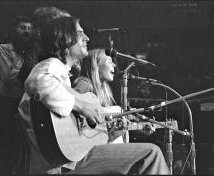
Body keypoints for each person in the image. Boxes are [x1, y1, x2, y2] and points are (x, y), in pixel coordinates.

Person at [18, 16, 170, 175]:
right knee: (150, 155)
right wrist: (83, 106)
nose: (87, 38)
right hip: (62, 166)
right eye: (80, 33)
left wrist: (110, 136)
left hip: (68, 161)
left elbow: (76, 137)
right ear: (64, 39)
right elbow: (37, 83)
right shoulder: (50, 65)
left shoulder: (63, 77)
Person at [73, 48, 156, 143]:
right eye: (109, 62)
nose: (114, 65)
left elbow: (103, 129)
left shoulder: (105, 91)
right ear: (96, 65)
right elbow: (71, 102)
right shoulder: (85, 83)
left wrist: (139, 128)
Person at [0, 15, 35, 174]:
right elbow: (9, 76)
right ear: (13, 31)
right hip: (9, 106)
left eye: (29, 29)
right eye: (22, 28)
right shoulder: (3, 49)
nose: (26, 32)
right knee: (10, 150)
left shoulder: (30, 53)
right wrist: (31, 69)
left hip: (27, 105)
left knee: (27, 149)